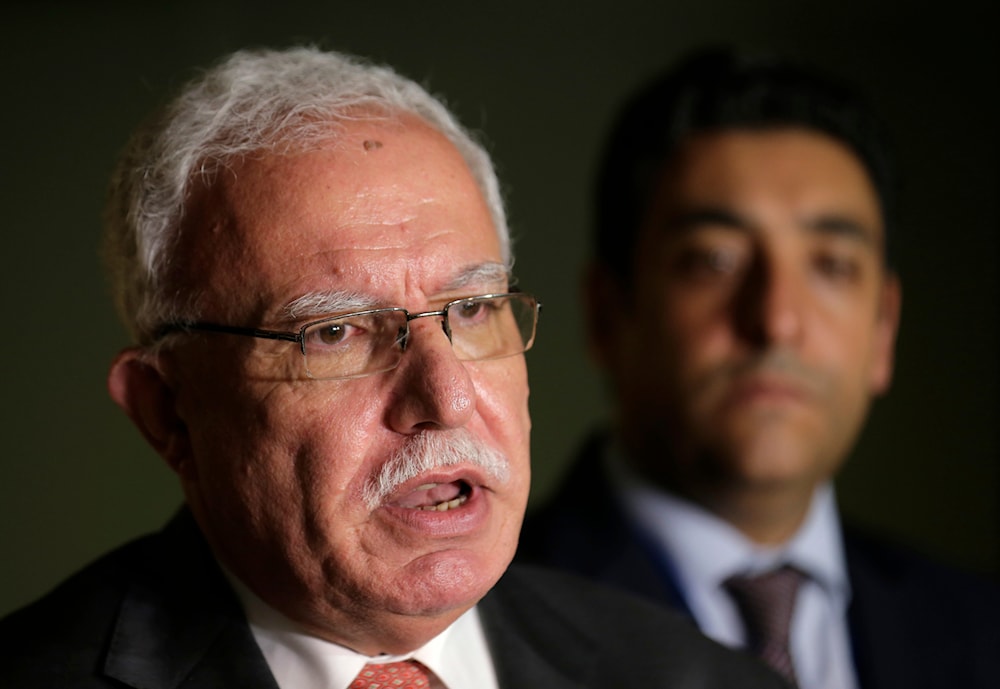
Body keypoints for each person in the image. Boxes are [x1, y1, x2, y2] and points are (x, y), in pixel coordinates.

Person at [0, 47, 788, 689]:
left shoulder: (695, 676)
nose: (445, 397)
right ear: (167, 410)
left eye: (474, 309)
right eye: (335, 331)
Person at [517, 47, 1000, 689]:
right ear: (608, 315)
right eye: (714, 260)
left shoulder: (978, 628)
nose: (776, 320)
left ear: (883, 331)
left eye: (831, 265)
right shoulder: (481, 625)